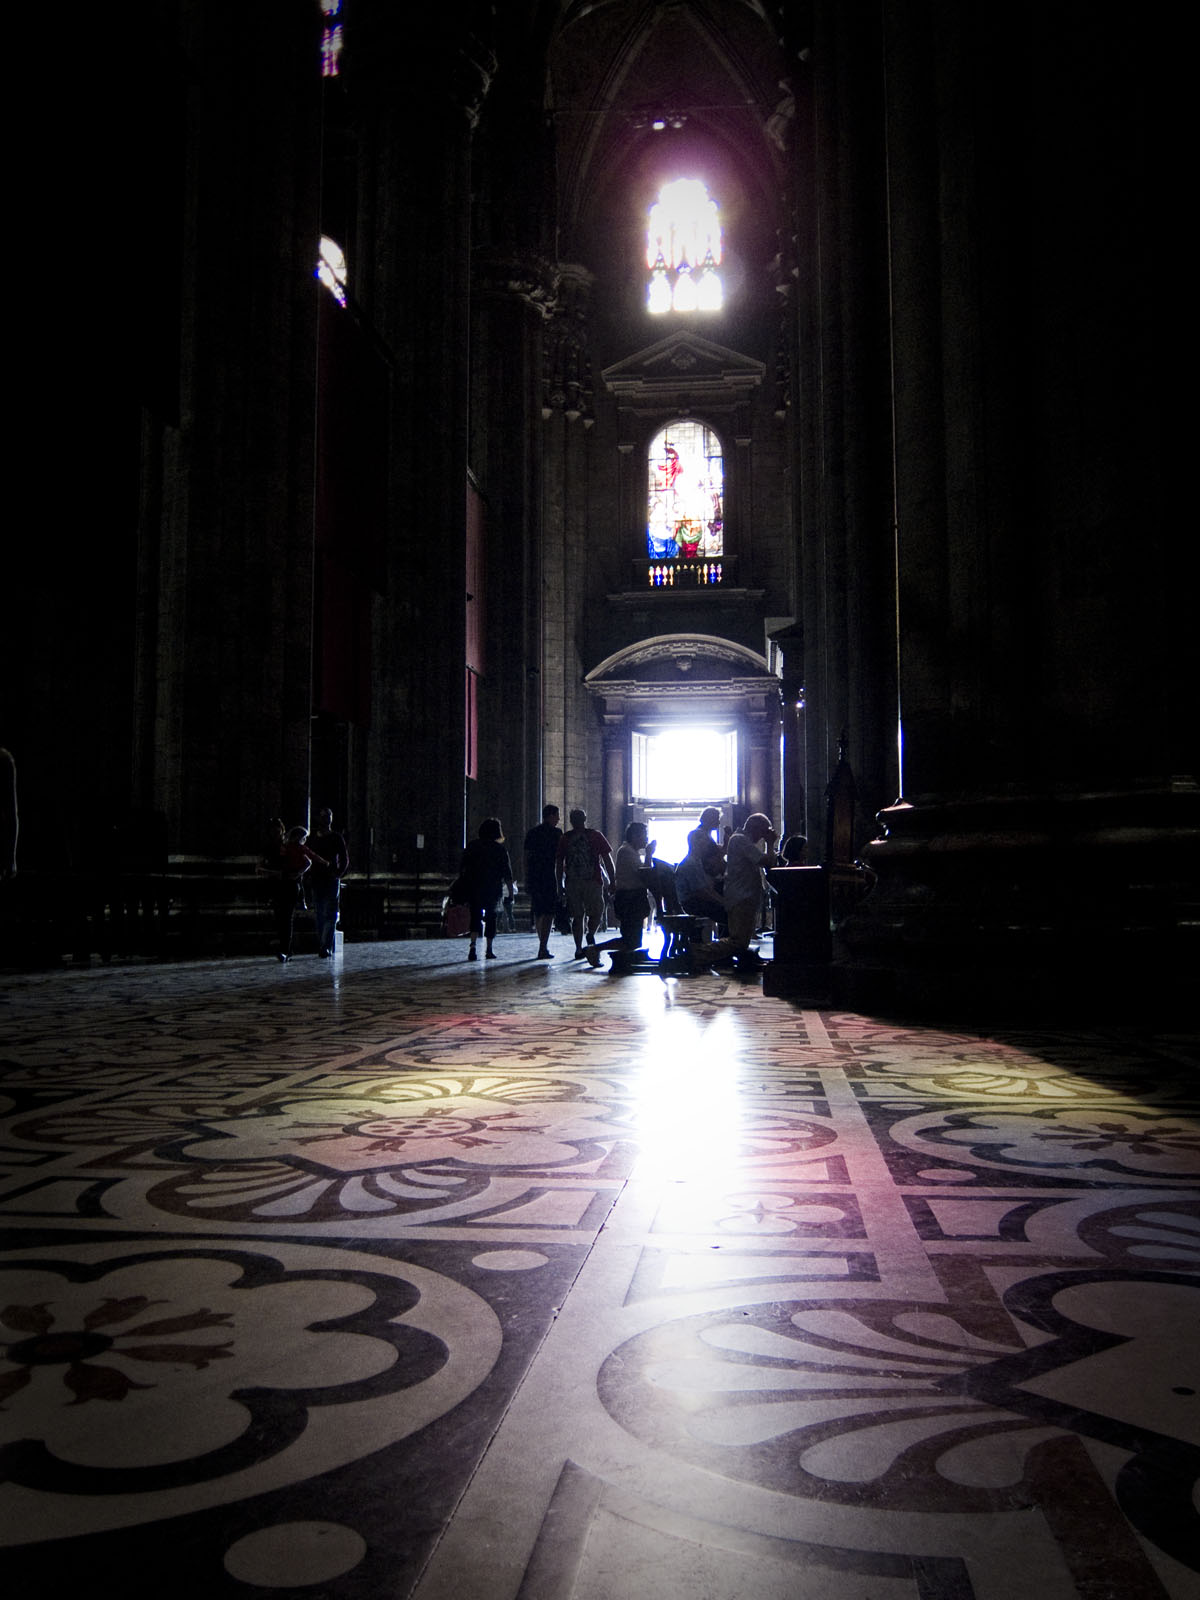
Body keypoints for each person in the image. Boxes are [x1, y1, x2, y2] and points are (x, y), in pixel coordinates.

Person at [261, 824, 326, 963]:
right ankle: (286, 949)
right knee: (282, 918)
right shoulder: (289, 848)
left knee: (286, 918)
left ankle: (285, 950)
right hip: (284, 883)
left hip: (289, 884)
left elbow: (308, 861)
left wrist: (297, 873)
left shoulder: (291, 848)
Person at [555, 808, 615, 959]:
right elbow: (608, 859)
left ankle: (579, 947)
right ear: (585, 818)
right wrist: (613, 880)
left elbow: (558, 863)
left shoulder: (565, 838)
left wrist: (559, 884)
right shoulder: (595, 835)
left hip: (574, 882)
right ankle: (589, 934)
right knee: (596, 912)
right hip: (591, 881)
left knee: (578, 916)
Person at [720, 812, 780, 964]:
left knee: (742, 941)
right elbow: (767, 862)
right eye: (762, 832)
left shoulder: (742, 840)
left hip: (745, 897)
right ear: (755, 828)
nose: (761, 837)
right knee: (738, 942)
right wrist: (770, 843)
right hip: (741, 897)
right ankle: (698, 953)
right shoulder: (740, 840)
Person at [458, 817, 515, 961]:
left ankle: (472, 947)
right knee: (491, 918)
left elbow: (463, 868)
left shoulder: (472, 846)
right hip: (493, 888)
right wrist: (511, 893)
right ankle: (489, 949)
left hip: (475, 886)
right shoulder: (499, 849)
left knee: (475, 916)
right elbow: (507, 872)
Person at [307, 807, 349, 958]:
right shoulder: (313, 839)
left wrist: (338, 874)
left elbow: (344, 859)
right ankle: (324, 944)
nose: (327, 819)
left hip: (331, 879)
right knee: (319, 914)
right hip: (317, 879)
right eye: (325, 816)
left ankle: (325, 946)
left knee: (330, 913)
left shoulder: (336, 838)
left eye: (329, 816)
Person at [523, 803, 563, 959]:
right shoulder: (557, 833)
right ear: (551, 816)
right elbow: (560, 858)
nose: (559, 819)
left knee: (539, 911)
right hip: (549, 875)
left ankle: (542, 945)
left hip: (534, 875)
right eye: (557, 815)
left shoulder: (532, 833)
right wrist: (562, 879)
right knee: (548, 912)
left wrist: (526, 876)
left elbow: (526, 857)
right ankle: (543, 946)